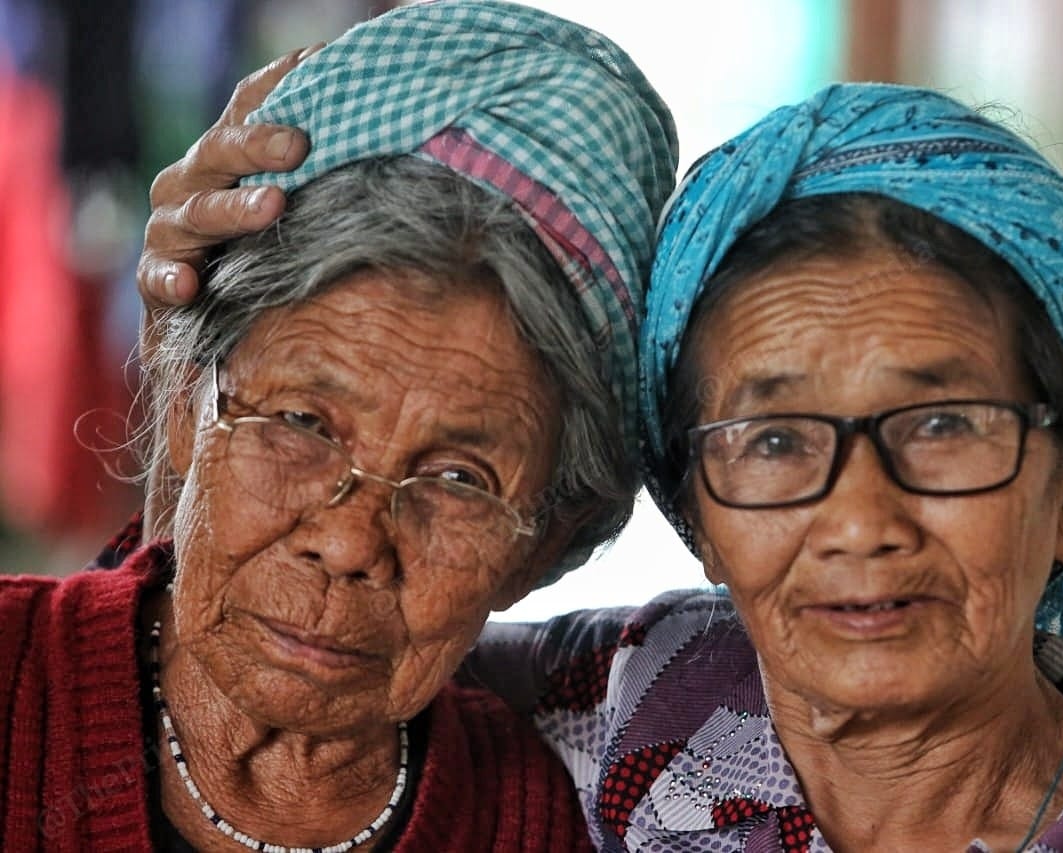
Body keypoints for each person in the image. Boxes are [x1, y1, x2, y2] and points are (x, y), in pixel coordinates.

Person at [140, 71, 1063, 853]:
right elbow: (251, 654)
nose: (858, 520)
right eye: (775, 440)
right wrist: (200, 328)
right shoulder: (604, 706)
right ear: (694, 508)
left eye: (941, 426)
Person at [0, 2, 676, 850]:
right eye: (302, 422)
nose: (354, 539)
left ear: (546, 543)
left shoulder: (561, 821)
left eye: (460, 479)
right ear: (183, 401)